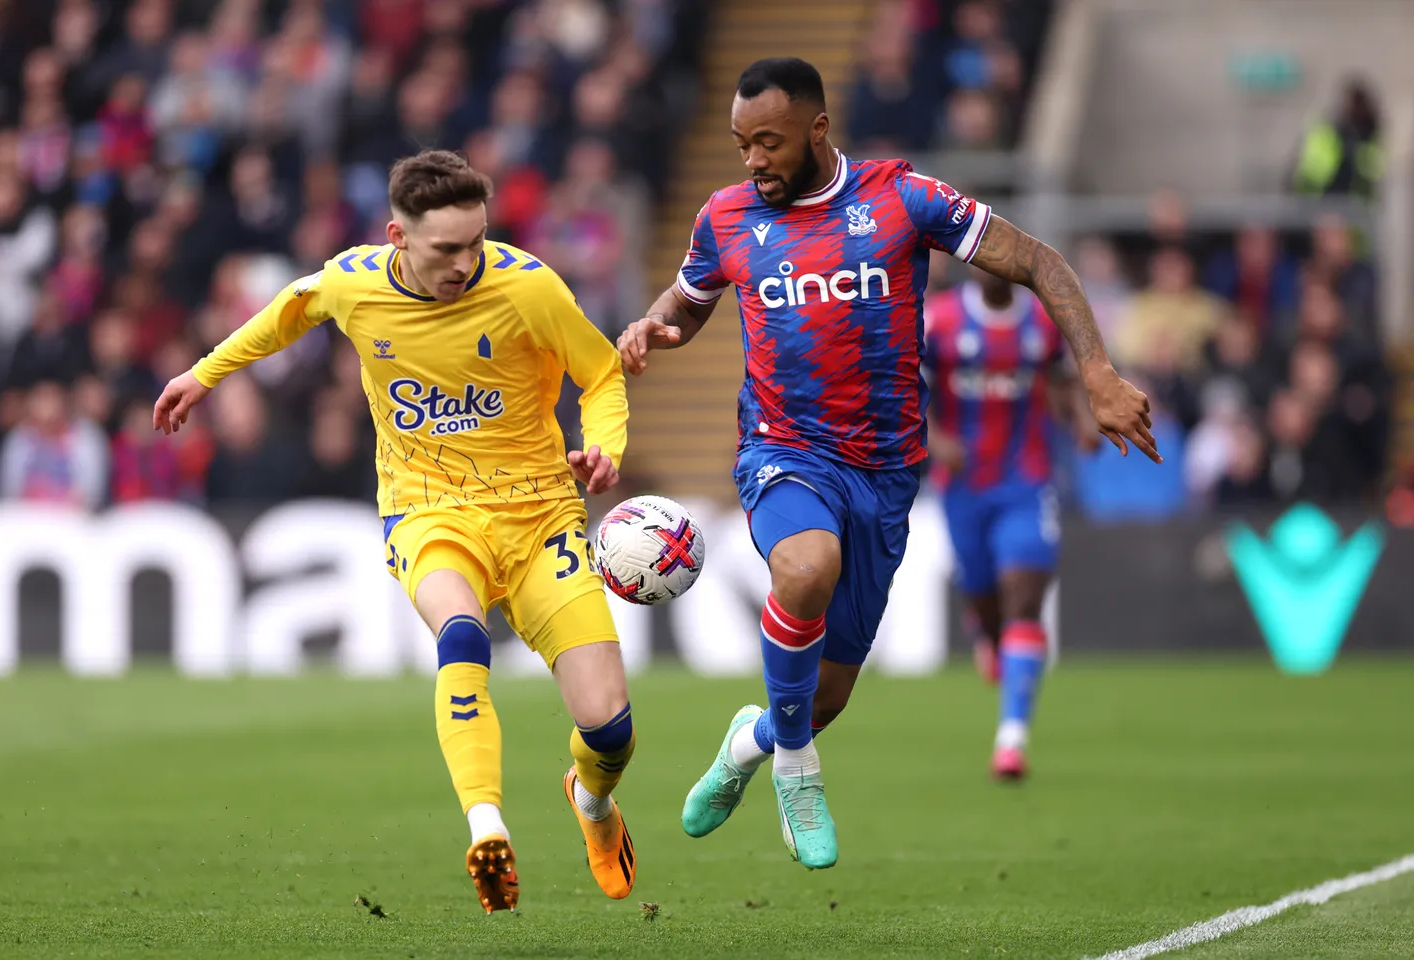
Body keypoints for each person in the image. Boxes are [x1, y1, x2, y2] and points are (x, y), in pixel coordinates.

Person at [618, 58, 1157, 870]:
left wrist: (1098, 372)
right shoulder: (724, 216)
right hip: (783, 449)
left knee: (823, 698)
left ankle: (750, 744)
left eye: (769, 142)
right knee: (805, 567)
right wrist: (654, 324)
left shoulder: (902, 199)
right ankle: (796, 774)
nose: (753, 160)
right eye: (741, 144)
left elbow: (1040, 261)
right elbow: (688, 301)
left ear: (818, 130)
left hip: (884, 472)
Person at [153, 150, 637, 913]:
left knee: (610, 730)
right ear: (397, 238)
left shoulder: (528, 287)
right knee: (461, 634)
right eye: (447, 248)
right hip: (428, 510)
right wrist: (203, 373)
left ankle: (592, 799)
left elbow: (601, 371)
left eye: (476, 242)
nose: (465, 263)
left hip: (540, 515)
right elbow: (288, 312)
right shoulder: (354, 282)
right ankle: (487, 828)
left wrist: (604, 445)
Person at [924, 267, 1101, 780]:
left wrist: (1081, 420)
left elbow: (1062, 381)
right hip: (963, 485)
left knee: (1023, 597)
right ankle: (985, 629)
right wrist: (935, 438)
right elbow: (906, 388)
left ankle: (1012, 738)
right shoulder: (940, 320)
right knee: (984, 597)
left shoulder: (1042, 323)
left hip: (1027, 481)